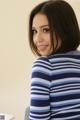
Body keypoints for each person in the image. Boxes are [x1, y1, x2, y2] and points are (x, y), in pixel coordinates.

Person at [28, 0, 80, 119]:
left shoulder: (44, 66)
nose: (37, 39)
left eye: (46, 30)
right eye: (34, 31)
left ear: (65, 29)